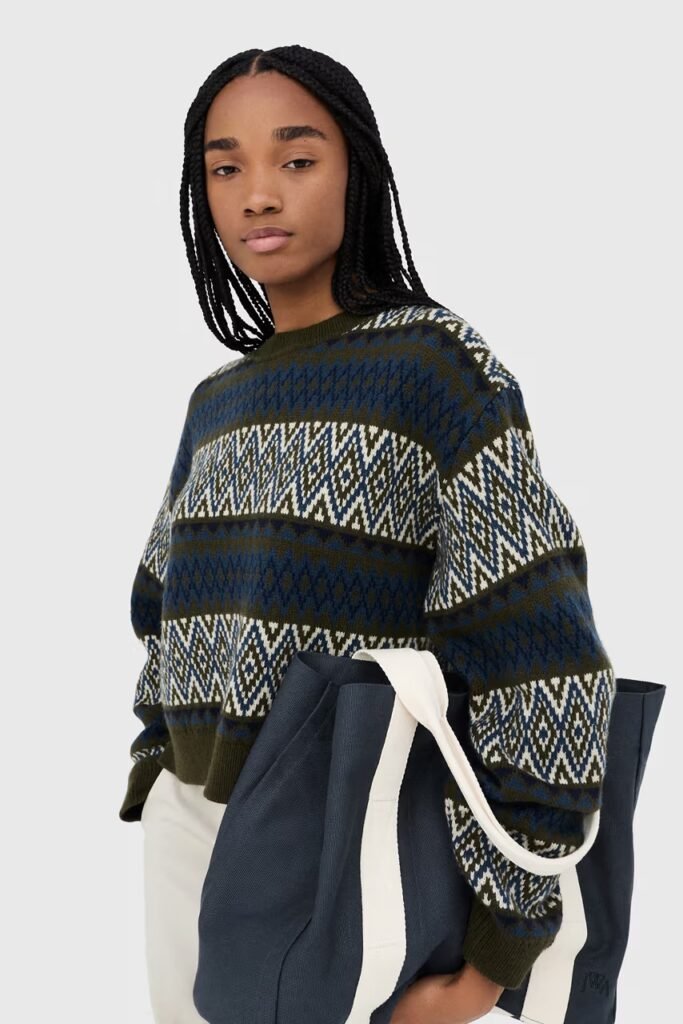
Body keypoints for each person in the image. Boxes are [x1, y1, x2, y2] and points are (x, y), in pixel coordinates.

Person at [119, 45, 616, 1024]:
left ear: (358, 170)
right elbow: (162, 605)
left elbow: (542, 659)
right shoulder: (216, 401)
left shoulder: (433, 368)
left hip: (343, 845)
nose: (258, 194)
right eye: (225, 168)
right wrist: (157, 758)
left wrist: (493, 956)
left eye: (296, 159)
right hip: (191, 837)